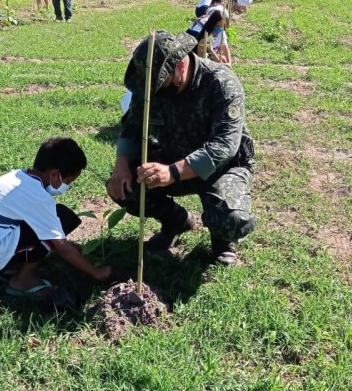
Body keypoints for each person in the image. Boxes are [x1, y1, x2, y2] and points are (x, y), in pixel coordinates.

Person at [106, 31, 256, 266]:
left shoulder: (220, 83)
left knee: (232, 219)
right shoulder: (149, 88)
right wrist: (121, 164)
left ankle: (222, 240)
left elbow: (224, 145)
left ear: (181, 66)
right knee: (126, 189)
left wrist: (172, 172)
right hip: (171, 157)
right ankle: (176, 220)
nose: (154, 91)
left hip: (222, 168)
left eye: (160, 82)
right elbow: (132, 127)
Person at [0, 137, 112, 300]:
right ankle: (22, 281)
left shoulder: (17, 177)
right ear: (55, 174)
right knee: (62, 218)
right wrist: (97, 273)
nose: (67, 186)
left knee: (51, 221)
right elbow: (62, 248)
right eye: (69, 181)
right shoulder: (37, 196)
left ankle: (9, 266)